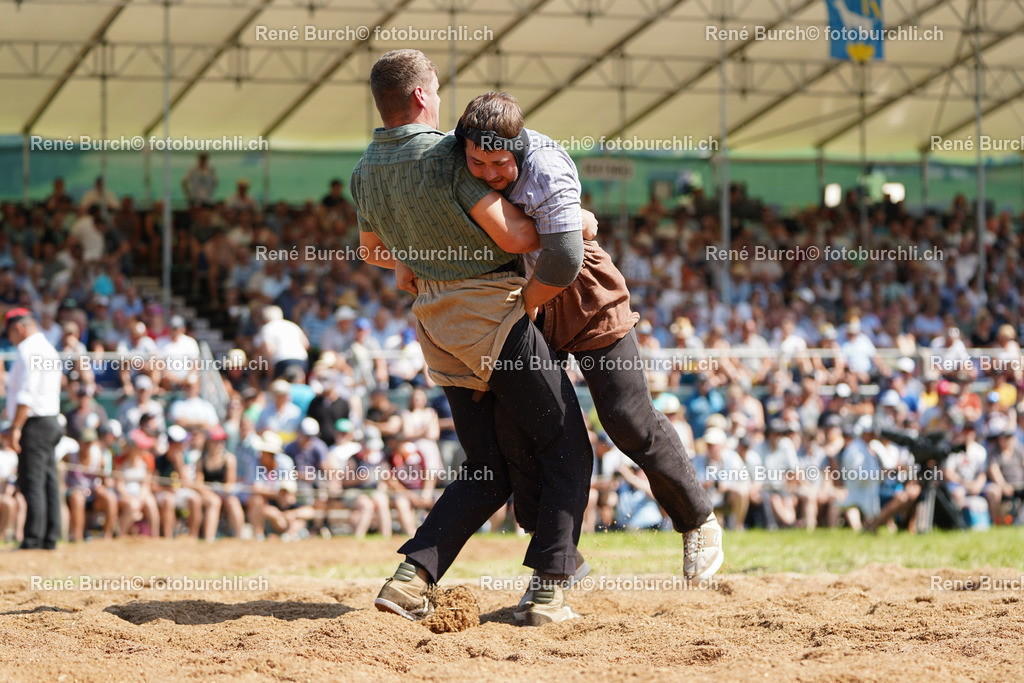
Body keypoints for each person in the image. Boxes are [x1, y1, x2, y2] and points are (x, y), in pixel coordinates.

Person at [354, 49, 592, 625]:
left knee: (488, 465)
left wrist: (417, 257)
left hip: (436, 324)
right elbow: (514, 241)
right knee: (568, 447)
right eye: (435, 88)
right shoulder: (446, 155)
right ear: (419, 97)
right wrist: (574, 223)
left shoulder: (364, 169)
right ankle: (549, 588)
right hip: (492, 315)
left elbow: (372, 252)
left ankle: (411, 579)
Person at [450, 92, 721, 582]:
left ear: (521, 149)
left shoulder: (549, 167)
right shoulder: (453, 159)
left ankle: (697, 519)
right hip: (517, 295)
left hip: (579, 291)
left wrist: (528, 300)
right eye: (477, 161)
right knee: (522, 430)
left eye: (499, 163)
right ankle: (558, 555)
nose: (487, 173)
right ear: (462, 147)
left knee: (625, 418)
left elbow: (563, 258)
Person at [4, 308, 63, 550]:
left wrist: (15, 427)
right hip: (50, 420)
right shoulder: (48, 348)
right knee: (48, 480)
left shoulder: (28, 350)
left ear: (18, 328)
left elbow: (26, 395)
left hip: (35, 422)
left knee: (32, 481)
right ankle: (49, 536)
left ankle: (33, 538)